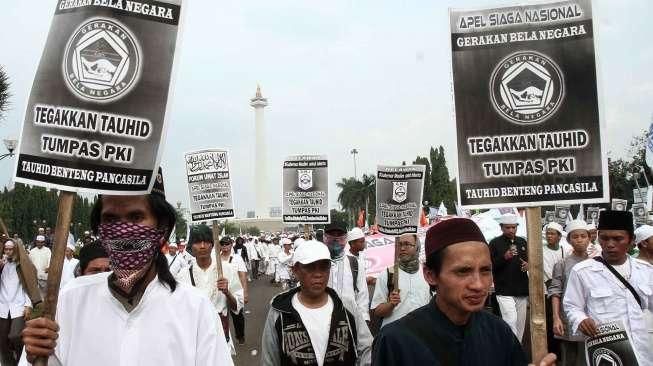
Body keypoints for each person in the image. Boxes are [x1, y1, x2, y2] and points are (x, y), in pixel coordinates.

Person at [21, 169, 233, 365]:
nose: (123, 231)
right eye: (111, 219)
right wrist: (36, 356)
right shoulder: (69, 301)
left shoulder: (195, 309)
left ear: (162, 228)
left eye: (136, 217)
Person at [372, 218, 556, 365]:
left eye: (485, 270)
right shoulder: (395, 340)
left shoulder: (499, 333)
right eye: (463, 271)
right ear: (430, 275)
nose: (478, 284)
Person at [261, 240, 372, 366]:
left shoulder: (345, 305)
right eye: (310, 267)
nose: (318, 274)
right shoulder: (280, 311)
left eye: (324, 267)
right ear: (295, 270)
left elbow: (366, 349)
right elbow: (269, 359)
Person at [564, 210, 653, 366]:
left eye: (618, 239)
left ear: (631, 240)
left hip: (643, 350)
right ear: (598, 238)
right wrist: (581, 320)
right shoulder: (582, 272)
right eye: (604, 238)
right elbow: (572, 306)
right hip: (608, 353)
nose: (610, 244)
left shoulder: (646, 271)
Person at [176, 225, 243, 353]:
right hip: (194, 341)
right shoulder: (183, 276)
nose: (202, 246)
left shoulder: (226, 269)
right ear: (191, 247)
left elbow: (237, 307)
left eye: (206, 242)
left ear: (212, 245)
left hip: (221, 338)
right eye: (197, 242)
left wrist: (227, 292)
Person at [547, 220, 591, 366]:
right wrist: (556, 318)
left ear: (589, 238)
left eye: (583, 236)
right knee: (569, 358)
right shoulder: (562, 264)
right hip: (568, 317)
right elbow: (555, 291)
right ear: (569, 240)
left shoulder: (597, 263)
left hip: (591, 316)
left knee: (589, 356)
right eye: (575, 236)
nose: (579, 240)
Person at [371, 233, 431, 328]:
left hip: (423, 335)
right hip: (394, 338)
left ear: (417, 247)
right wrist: (390, 304)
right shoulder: (388, 274)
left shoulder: (427, 274)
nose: (402, 248)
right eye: (400, 244)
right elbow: (377, 311)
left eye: (407, 244)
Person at [489, 213, 529, 341]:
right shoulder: (495, 243)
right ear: (501, 227)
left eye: (513, 227)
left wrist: (528, 265)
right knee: (510, 321)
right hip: (504, 289)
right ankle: (511, 350)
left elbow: (529, 260)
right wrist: (504, 258)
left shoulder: (522, 241)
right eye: (508, 227)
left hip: (521, 288)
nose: (511, 230)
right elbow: (490, 266)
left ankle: (518, 349)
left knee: (520, 324)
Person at [324, 223, 370, 324]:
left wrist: (364, 321)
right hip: (323, 322)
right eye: (332, 235)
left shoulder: (354, 263)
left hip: (350, 322)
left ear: (345, 239)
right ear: (325, 238)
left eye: (339, 236)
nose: (335, 239)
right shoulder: (317, 262)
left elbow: (362, 295)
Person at [0, 240, 35, 366]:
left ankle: (22, 359)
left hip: (18, 305)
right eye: (6, 249)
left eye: (10, 249)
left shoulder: (22, 266)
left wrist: (28, 305)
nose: (8, 251)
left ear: (15, 250)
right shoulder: (2, 264)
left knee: (15, 335)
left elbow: (29, 287)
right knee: (2, 340)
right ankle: (9, 363)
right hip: (2, 306)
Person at [218, 236, 248, 346]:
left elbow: (242, 276)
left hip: (235, 290)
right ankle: (223, 340)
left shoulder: (237, 258)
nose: (225, 246)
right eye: (223, 244)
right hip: (220, 292)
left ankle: (240, 336)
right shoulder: (216, 259)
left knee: (237, 315)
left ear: (231, 245)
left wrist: (245, 293)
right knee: (221, 316)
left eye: (227, 244)